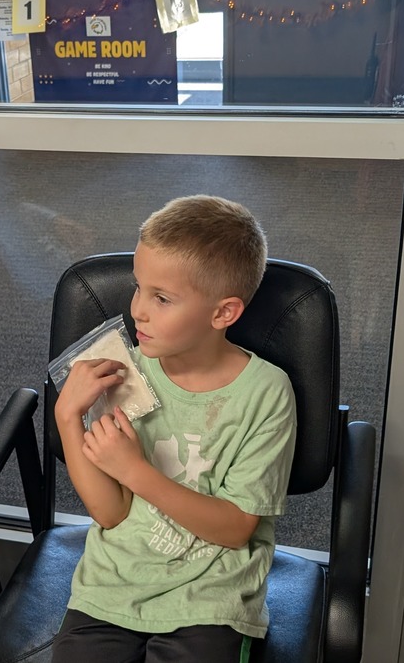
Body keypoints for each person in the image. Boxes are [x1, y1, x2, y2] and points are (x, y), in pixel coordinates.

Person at [51, 195, 296, 662]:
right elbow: (111, 515)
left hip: (211, 598)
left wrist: (136, 471)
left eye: (161, 298)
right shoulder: (122, 372)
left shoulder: (265, 393)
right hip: (112, 587)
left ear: (223, 313)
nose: (138, 309)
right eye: (139, 287)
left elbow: (237, 529)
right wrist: (68, 417)